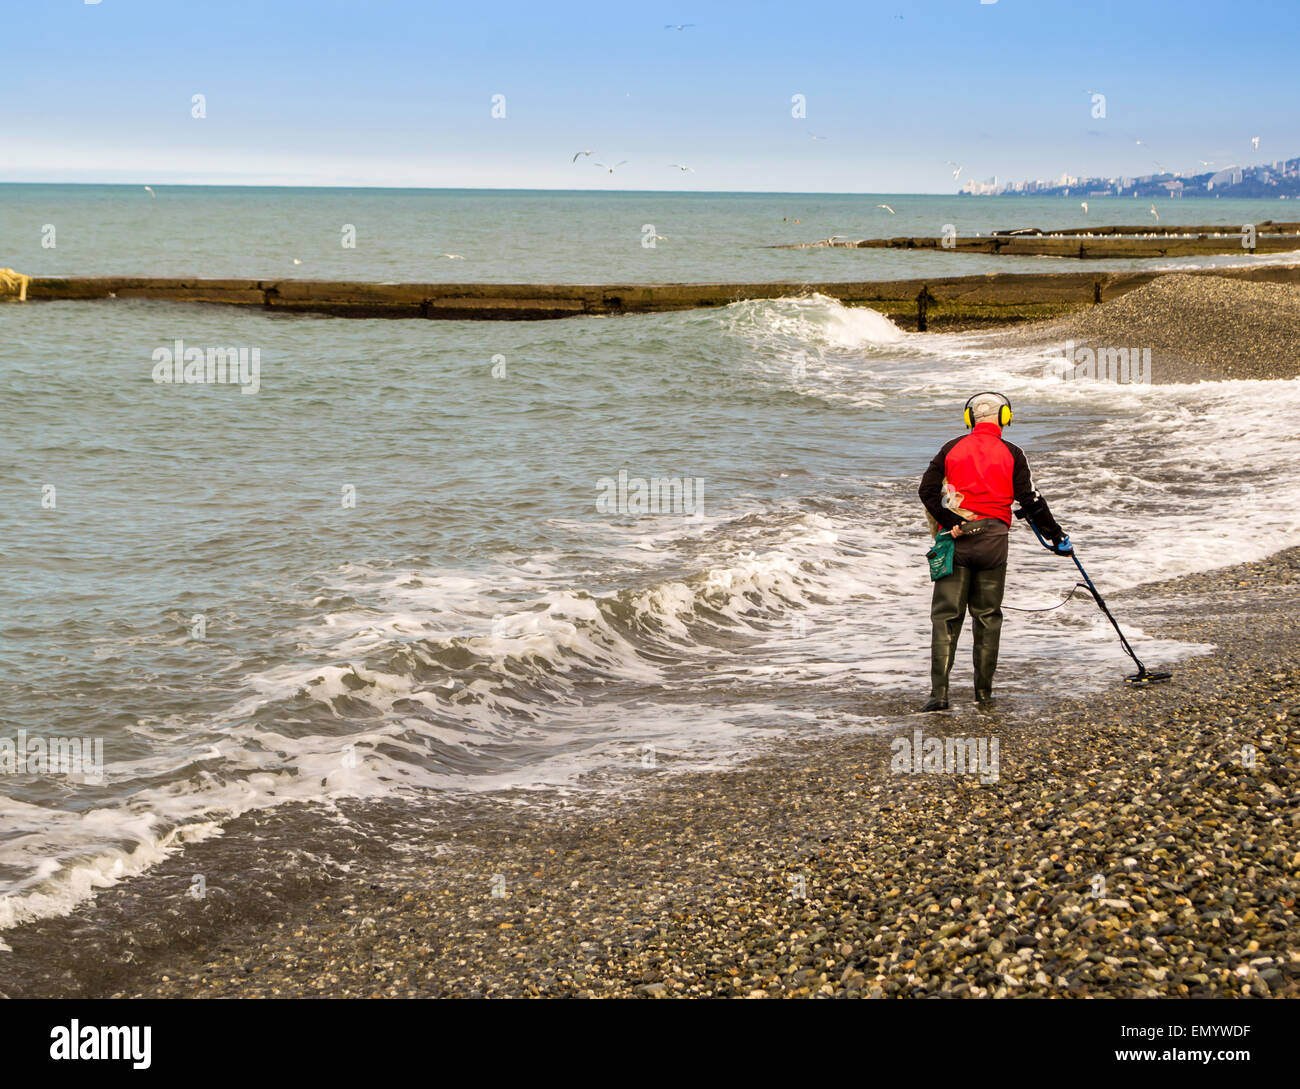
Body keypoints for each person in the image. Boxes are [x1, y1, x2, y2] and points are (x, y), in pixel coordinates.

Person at [916, 392, 1071, 711]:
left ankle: (939, 695)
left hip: (956, 541)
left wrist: (951, 521)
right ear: (1004, 418)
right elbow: (1030, 501)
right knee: (987, 617)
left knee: (946, 617)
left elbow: (927, 491)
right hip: (994, 542)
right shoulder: (1013, 453)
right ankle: (983, 695)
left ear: (969, 419)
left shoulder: (950, 448)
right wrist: (1057, 537)